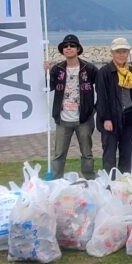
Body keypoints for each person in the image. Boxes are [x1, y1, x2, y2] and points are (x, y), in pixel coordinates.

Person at [48, 34, 98, 179]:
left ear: (78, 49)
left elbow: (102, 88)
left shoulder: (89, 69)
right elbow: (47, 87)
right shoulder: (57, 69)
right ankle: (56, 181)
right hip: (62, 119)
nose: (68, 48)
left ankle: (89, 179)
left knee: (87, 153)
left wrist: (94, 109)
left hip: (84, 119)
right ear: (62, 50)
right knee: (59, 154)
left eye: (72, 46)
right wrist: (45, 72)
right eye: (65, 46)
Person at [96, 37, 132, 174]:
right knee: (109, 155)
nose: (121, 55)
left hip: (128, 118)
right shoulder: (104, 72)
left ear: (128, 53)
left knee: (126, 155)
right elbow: (101, 97)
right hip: (111, 119)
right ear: (112, 53)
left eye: (124, 51)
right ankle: (109, 182)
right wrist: (106, 118)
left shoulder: (131, 71)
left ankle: (124, 182)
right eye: (118, 52)